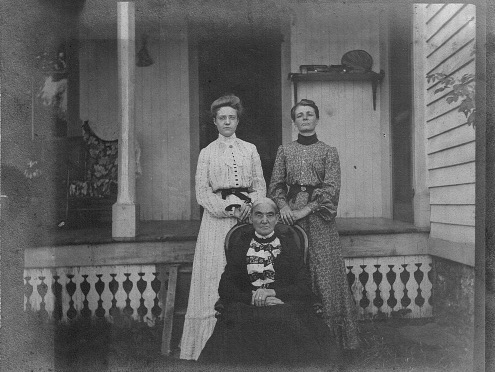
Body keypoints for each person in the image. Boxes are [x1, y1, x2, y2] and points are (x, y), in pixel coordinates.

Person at [198, 198, 342, 366]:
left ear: (277, 218)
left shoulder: (288, 243)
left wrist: (272, 293)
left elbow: (303, 285)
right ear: (251, 218)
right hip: (248, 306)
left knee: (289, 319)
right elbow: (226, 287)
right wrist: (254, 297)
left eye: (269, 215)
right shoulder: (241, 243)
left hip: (282, 304)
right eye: (259, 215)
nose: (264, 220)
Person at [180, 94, 266, 360]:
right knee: (215, 273)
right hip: (217, 222)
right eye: (222, 118)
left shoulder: (250, 149)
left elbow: (260, 185)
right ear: (215, 122)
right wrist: (227, 207)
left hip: (246, 220)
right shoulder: (207, 153)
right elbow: (202, 192)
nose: (227, 121)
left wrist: (249, 207)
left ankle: (249, 344)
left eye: (231, 117)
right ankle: (208, 346)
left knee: (248, 271)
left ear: (238, 120)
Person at [268, 99, 359, 350]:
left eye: (310, 114)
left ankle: (333, 340)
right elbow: (275, 185)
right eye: (300, 115)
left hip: (319, 216)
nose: (305, 118)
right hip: (290, 218)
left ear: (317, 119)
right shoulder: (284, 150)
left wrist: (305, 210)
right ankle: (298, 339)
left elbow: (331, 189)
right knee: (296, 267)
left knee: (325, 268)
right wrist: (285, 208)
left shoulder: (329, 151)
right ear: (294, 121)